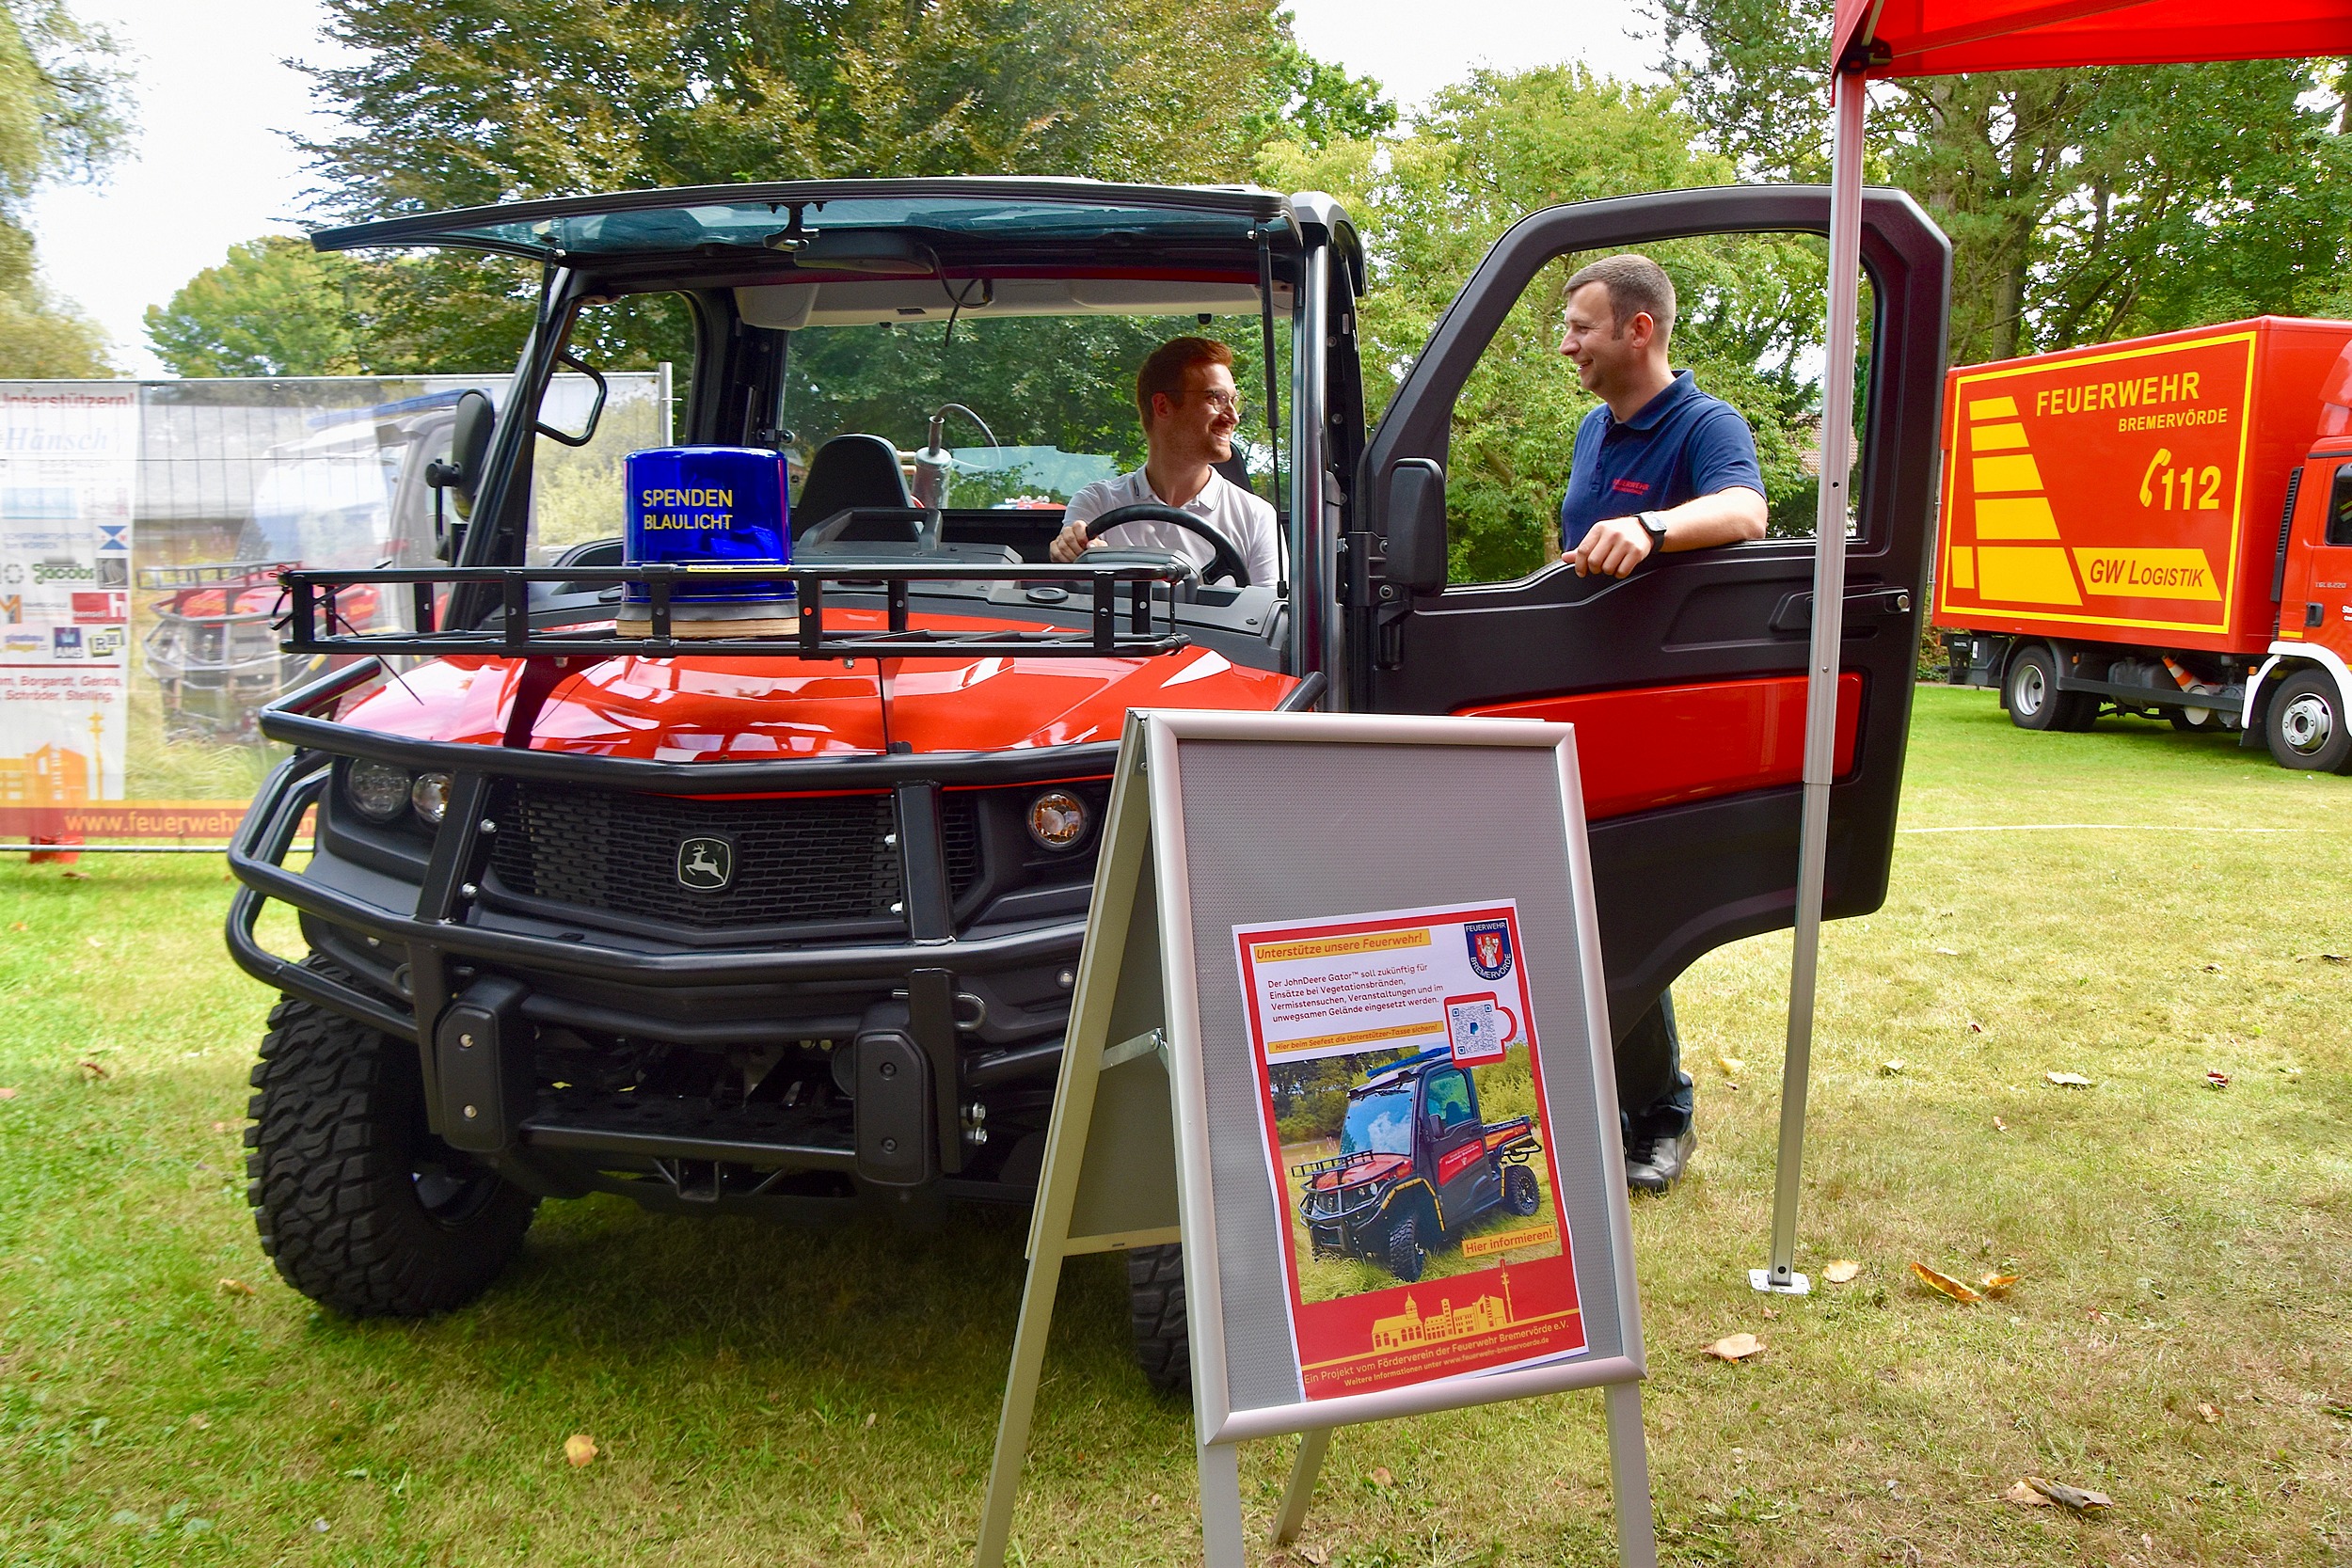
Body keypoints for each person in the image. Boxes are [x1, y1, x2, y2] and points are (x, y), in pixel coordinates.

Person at [1554, 252, 1769, 1195]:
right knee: (1570, 904)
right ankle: (1602, 1100)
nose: (1568, 345)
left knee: (1617, 907)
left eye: (1582, 327)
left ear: (1638, 328)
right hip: (1575, 697)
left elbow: (1746, 510)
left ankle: (1661, 1114)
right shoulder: (1592, 431)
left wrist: (1652, 528)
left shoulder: (1704, 424)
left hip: (1651, 708)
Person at [1049, 337, 1279, 588]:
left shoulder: (1256, 516)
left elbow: (1270, 609)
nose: (1233, 417)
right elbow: (1077, 597)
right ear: (1162, 406)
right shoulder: (1097, 503)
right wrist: (1070, 549)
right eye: (1216, 398)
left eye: (1234, 401)